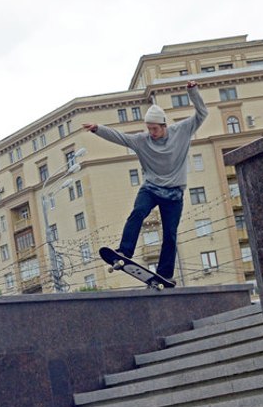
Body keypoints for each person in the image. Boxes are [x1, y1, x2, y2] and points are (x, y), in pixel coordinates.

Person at [83, 80, 207, 285]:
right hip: (150, 188)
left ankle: (164, 273)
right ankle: (125, 250)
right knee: (138, 212)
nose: (152, 133)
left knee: (170, 234)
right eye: (149, 129)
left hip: (174, 194)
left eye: (155, 129)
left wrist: (192, 91)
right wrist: (98, 129)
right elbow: (121, 138)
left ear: (164, 125)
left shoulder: (182, 131)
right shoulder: (142, 140)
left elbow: (202, 114)